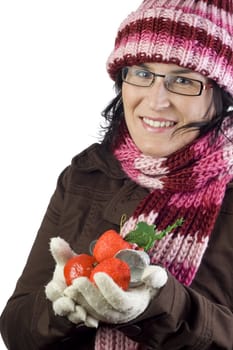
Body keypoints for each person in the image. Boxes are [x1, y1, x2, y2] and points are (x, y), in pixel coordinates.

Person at [1, 0, 233, 349]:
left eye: (183, 80)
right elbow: (16, 330)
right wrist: (64, 308)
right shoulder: (84, 176)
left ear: (221, 93)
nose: (156, 101)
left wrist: (160, 304)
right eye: (141, 73)